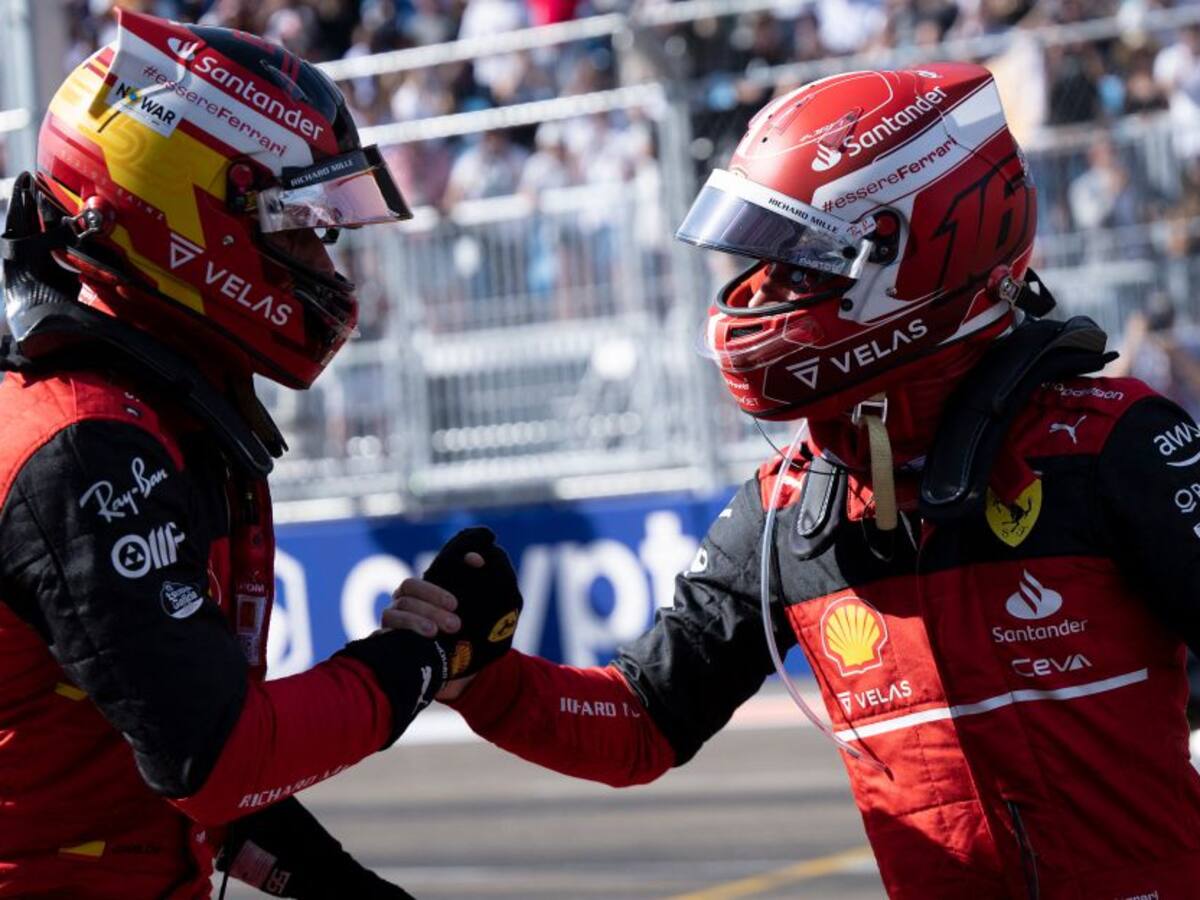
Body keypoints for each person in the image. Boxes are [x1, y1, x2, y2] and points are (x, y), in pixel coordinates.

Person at [391, 64, 1200, 897]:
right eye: (762, 260)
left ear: (921, 249)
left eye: (801, 260)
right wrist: (481, 677)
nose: (759, 293)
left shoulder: (1112, 444)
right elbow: (640, 723)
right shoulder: (784, 512)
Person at [0, 10, 517, 898]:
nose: (325, 256)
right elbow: (215, 758)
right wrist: (420, 660)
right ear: (184, 210)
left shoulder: (148, 413)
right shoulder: (83, 445)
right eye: (305, 223)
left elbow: (146, 746)